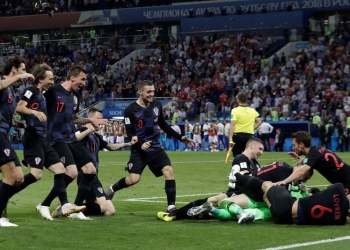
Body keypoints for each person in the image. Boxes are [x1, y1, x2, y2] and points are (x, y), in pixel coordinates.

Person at [105, 80, 194, 212]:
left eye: (153, 91)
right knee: (133, 180)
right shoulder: (130, 110)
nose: (152, 94)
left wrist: (180, 137)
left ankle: (171, 206)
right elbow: (130, 132)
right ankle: (113, 188)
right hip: (139, 150)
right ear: (140, 92)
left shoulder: (157, 105)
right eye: (148, 92)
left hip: (155, 147)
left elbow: (163, 124)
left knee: (168, 170)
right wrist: (141, 143)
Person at [37, 65, 109, 220]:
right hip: (56, 137)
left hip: (71, 137)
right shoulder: (53, 91)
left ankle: (74, 208)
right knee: (72, 172)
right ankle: (51, 204)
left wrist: (90, 119)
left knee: (90, 170)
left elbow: (74, 118)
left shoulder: (75, 96)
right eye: (82, 79)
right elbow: (37, 99)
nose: (84, 83)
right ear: (72, 77)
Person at [15, 63, 85, 221]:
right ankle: (5, 191)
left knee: (60, 169)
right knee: (36, 174)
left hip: (41, 138)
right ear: (40, 79)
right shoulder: (31, 90)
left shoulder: (41, 95)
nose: (53, 81)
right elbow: (19, 108)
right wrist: (34, 112)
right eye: (50, 78)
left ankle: (64, 204)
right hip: (33, 137)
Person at [52, 108, 135, 217]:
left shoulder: (96, 136)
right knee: (103, 207)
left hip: (94, 176)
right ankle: (70, 211)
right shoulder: (82, 131)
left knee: (109, 211)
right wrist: (88, 130)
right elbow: (74, 139)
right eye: (98, 118)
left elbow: (110, 146)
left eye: (101, 118)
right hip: (85, 174)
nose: (100, 121)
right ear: (90, 119)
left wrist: (127, 144)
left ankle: (70, 209)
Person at [157, 138, 264, 221]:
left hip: (243, 193)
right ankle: (174, 214)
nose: (261, 152)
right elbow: (245, 177)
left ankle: (180, 215)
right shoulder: (241, 158)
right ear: (251, 146)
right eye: (260, 149)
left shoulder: (254, 162)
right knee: (211, 201)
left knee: (213, 210)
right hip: (236, 192)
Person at [234, 174, 349, 225]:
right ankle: (232, 212)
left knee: (268, 186)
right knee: (265, 197)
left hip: (287, 206)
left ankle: (237, 177)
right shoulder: (341, 220)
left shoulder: (338, 188)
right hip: (283, 220)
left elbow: (321, 194)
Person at [0, 56, 35, 227]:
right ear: (14, 69)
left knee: (19, 177)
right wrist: (20, 77)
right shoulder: (2, 83)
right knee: (11, 174)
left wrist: (20, 123)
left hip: (4, 134)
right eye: (22, 69)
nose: (25, 73)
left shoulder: (11, 92)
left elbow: (7, 117)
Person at [274, 131, 350, 198]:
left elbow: (301, 171)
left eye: (294, 145)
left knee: (340, 208)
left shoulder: (314, 154)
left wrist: (284, 181)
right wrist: (301, 159)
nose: (293, 148)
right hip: (345, 181)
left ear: (301, 144)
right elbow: (317, 161)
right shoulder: (316, 150)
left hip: (348, 182)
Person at [229, 92, 262, 157]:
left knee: (237, 156)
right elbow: (259, 122)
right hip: (249, 136)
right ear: (246, 100)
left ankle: (239, 166)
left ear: (238, 100)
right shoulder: (252, 111)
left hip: (237, 136)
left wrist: (230, 138)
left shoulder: (235, 110)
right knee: (248, 156)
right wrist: (252, 128)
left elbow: (233, 124)